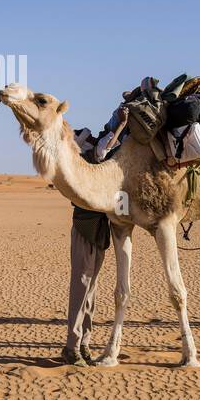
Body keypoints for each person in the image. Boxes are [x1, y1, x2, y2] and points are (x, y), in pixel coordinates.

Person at [62, 109, 127, 366]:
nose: (90, 138)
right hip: (85, 228)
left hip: (99, 230)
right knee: (81, 286)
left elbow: (106, 149)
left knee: (91, 290)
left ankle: (84, 343)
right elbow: (103, 150)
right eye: (86, 138)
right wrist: (121, 125)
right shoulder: (87, 160)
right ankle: (72, 346)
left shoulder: (97, 164)